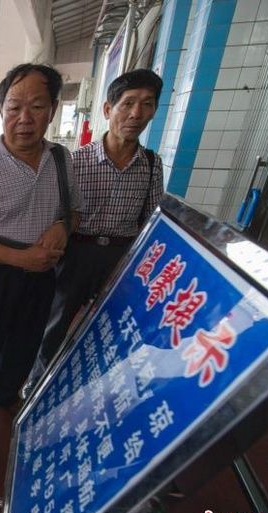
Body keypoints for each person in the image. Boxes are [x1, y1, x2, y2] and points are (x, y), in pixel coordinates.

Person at [0, 64, 81, 453]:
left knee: (25, 344)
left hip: (42, 274)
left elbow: (73, 210)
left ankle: (4, 393)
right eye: (14, 107)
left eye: (36, 106)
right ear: (1, 109)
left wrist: (63, 226)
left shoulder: (61, 159)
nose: (24, 118)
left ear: (52, 110)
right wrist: (19, 258)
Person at [24, 69, 165, 395]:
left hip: (121, 258)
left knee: (110, 326)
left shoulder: (152, 164)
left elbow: (151, 220)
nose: (136, 114)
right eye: (128, 103)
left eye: (147, 104)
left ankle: (96, 390)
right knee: (56, 322)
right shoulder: (76, 161)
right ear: (107, 109)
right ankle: (37, 384)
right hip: (76, 253)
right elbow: (56, 214)